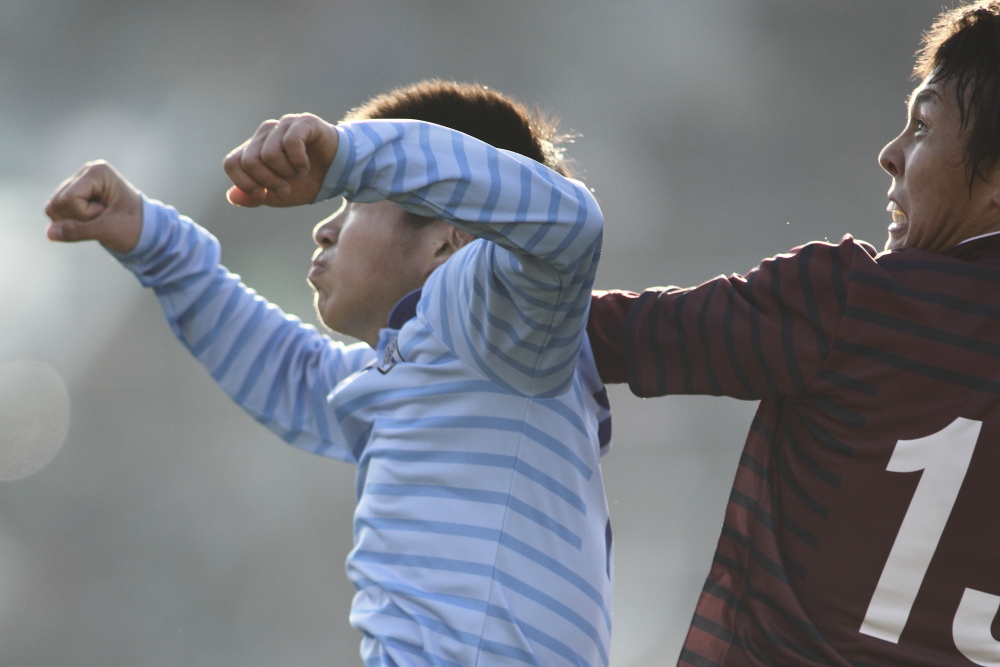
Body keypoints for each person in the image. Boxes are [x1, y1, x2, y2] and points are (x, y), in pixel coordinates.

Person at [45, 80, 613, 667]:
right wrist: (155, 243)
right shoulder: (419, 371)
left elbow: (571, 223)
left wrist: (348, 156)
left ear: (452, 239)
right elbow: (293, 374)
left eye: (358, 201)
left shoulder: (505, 328)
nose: (325, 228)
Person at [587, 2, 1000, 665]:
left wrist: (429, 281)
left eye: (922, 125)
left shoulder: (853, 300)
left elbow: (596, 334)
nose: (890, 153)